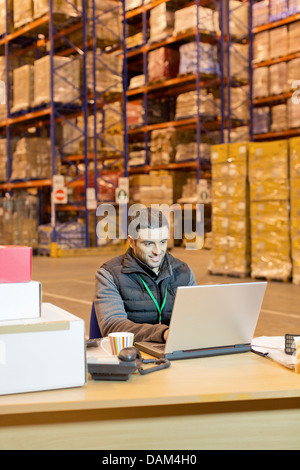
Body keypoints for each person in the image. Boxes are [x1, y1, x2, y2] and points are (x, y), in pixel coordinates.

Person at [94, 207, 197, 343]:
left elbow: (197, 317)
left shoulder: (184, 272)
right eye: (148, 244)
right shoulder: (109, 275)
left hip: (176, 349)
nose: (157, 251)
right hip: (132, 355)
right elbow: (113, 326)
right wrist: (163, 333)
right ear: (131, 242)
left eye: (163, 242)